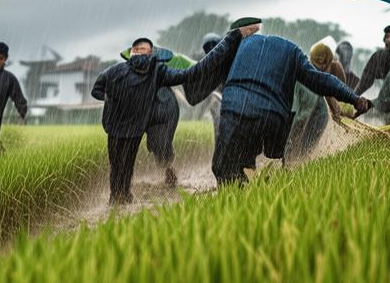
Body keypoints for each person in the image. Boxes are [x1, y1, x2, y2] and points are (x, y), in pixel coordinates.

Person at [163, 17, 372, 186]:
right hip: (273, 122)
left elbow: (199, 71)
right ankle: (256, 187)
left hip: (237, 114)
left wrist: (164, 73)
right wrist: (355, 98)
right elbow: (320, 80)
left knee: (224, 170)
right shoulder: (291, 49)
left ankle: (238, 200)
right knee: (256, 163)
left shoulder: (234, 46)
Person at [91, 38, 181, 205]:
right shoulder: (124, 76)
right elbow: (98, 90)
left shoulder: (160, 76)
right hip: (128, 121)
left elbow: (168, 113)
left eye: (146, 52)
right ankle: (118, 196)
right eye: (139, 51)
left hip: (151, 121)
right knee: (118, 162)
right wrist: (114, 99)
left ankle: (125, 193)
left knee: (157, 148)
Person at [287, 41, 352, 161]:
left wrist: (338, 106)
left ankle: (302, 156)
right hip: (300, 105)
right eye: (317, 66)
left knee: (320, 117)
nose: (321, 68)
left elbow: (340, 94)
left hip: (318, 111)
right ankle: (292, 155)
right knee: (298, 124)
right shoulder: (305, 70)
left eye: (324, 66)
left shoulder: (336, 68)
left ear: (330, 64)